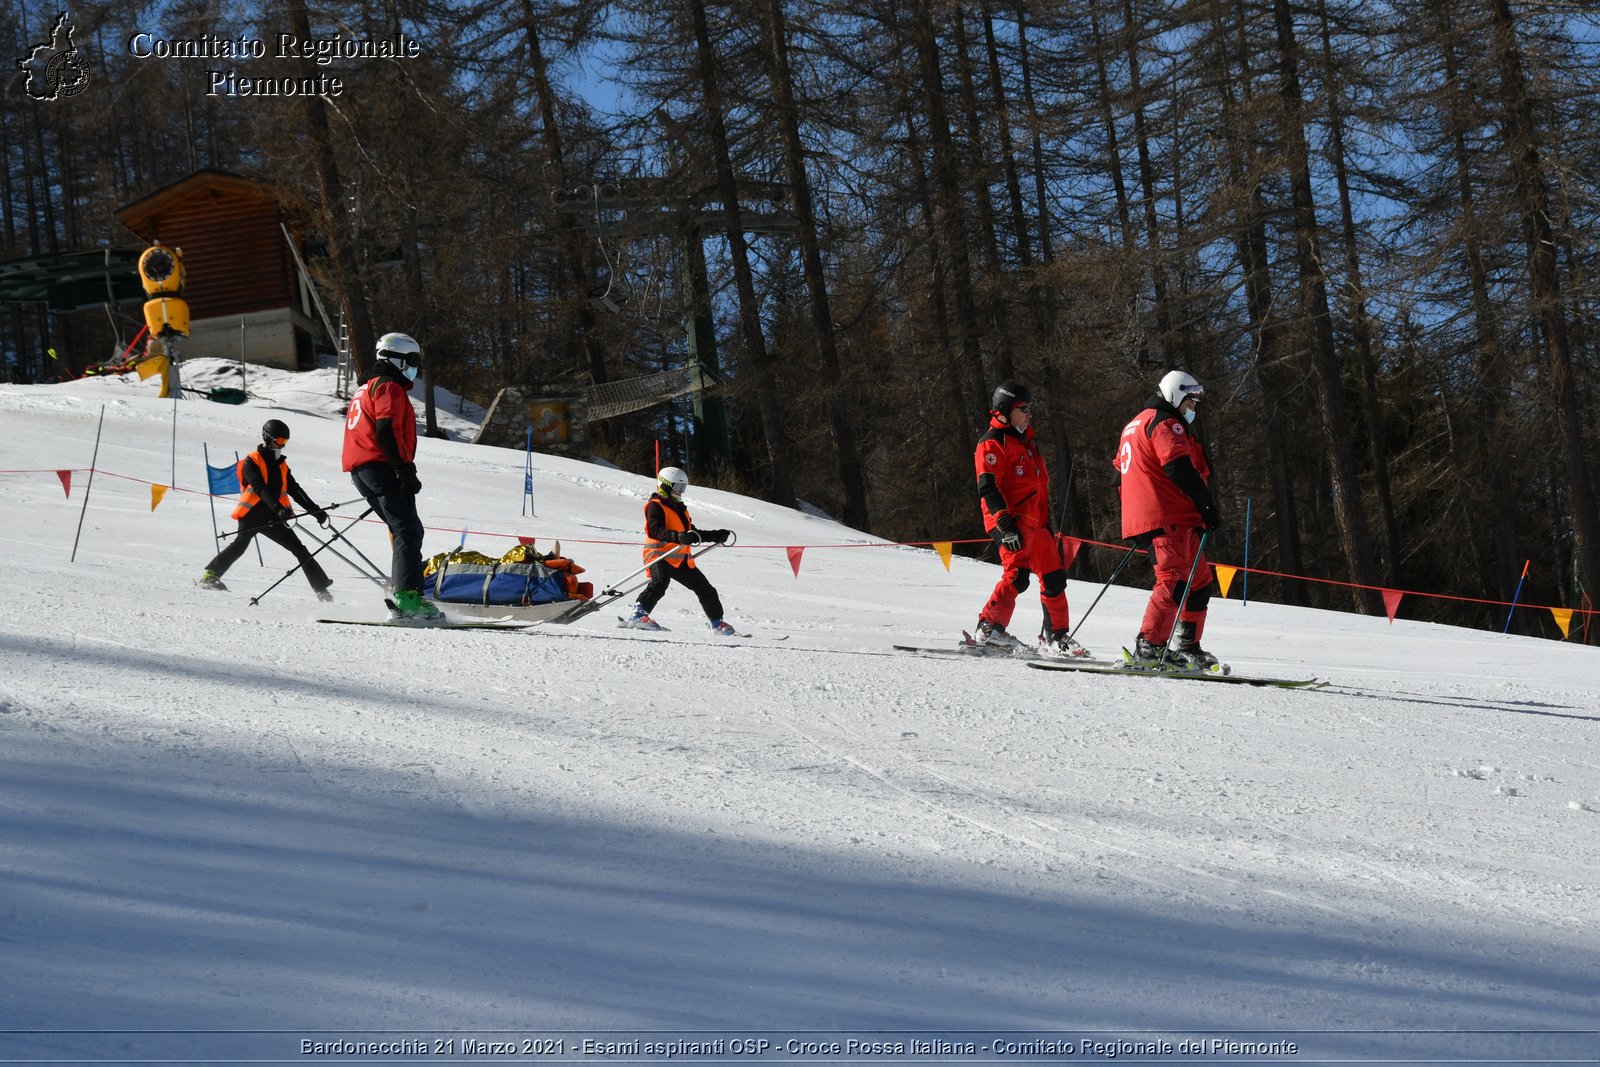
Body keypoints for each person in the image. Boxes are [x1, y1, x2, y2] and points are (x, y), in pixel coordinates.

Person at [1114, 369, 1222, 668]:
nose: (1193, 409)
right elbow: (1178, 467)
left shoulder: (1134, 424)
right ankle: (1149, 646)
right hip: (1168, 514)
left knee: (1199, 582)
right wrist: (1207, 506)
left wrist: (1133, 516)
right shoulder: (1165, 423)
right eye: (1190, 402)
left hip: (1162, 516)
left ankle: (1187, 643)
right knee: (1173, 580)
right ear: (1175, 394)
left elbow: (1118, 476)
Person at [972, 382, 1086, 656]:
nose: (1029, 414)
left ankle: (1054, 636)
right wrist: (1004, 524)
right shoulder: (992, 443)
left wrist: (1045, 523)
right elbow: (988, 487)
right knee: (1019, 576)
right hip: (1012, 524)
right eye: (1023, 409)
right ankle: (990, 629)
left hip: (1037, 525)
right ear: (1005, 411)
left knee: (1053, 579)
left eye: (1029, 409)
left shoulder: (1026, 443)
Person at [342, 332, 440, 620]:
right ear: (395, 359)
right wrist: (403, 469)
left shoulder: (367, 387)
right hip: (380, 465)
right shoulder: (388, 386)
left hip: (363, 469)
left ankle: (408, 592)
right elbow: (386, 431)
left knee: (404, 529)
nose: (414, 367)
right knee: (408, 530)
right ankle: (408, 598)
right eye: (411, 360)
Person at [198, 419, 333, 600]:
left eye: (285, 442)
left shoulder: (282, 465)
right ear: (268, 438)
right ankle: (210, 576)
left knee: (299, 549)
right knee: (240, 545)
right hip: (253, 514)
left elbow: (295, 490)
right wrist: (278, 508)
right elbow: (260, 487)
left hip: (274, 516)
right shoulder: (251, 461)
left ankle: (321, 589)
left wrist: (316, 511)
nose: (282, 446)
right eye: (279, 441)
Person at [623, 466, 738, 635]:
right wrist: (677, 537)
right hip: (658, 555)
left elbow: (692, 534)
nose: (681, 492)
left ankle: (717, 623)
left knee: (706, 589)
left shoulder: (680, 509)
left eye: (683, 488)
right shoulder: (654, 506)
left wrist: (716, 535)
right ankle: (638, 615)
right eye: (678, 487)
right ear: (666, 486)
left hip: (680, 559)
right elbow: (654, 530)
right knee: (660, 582)